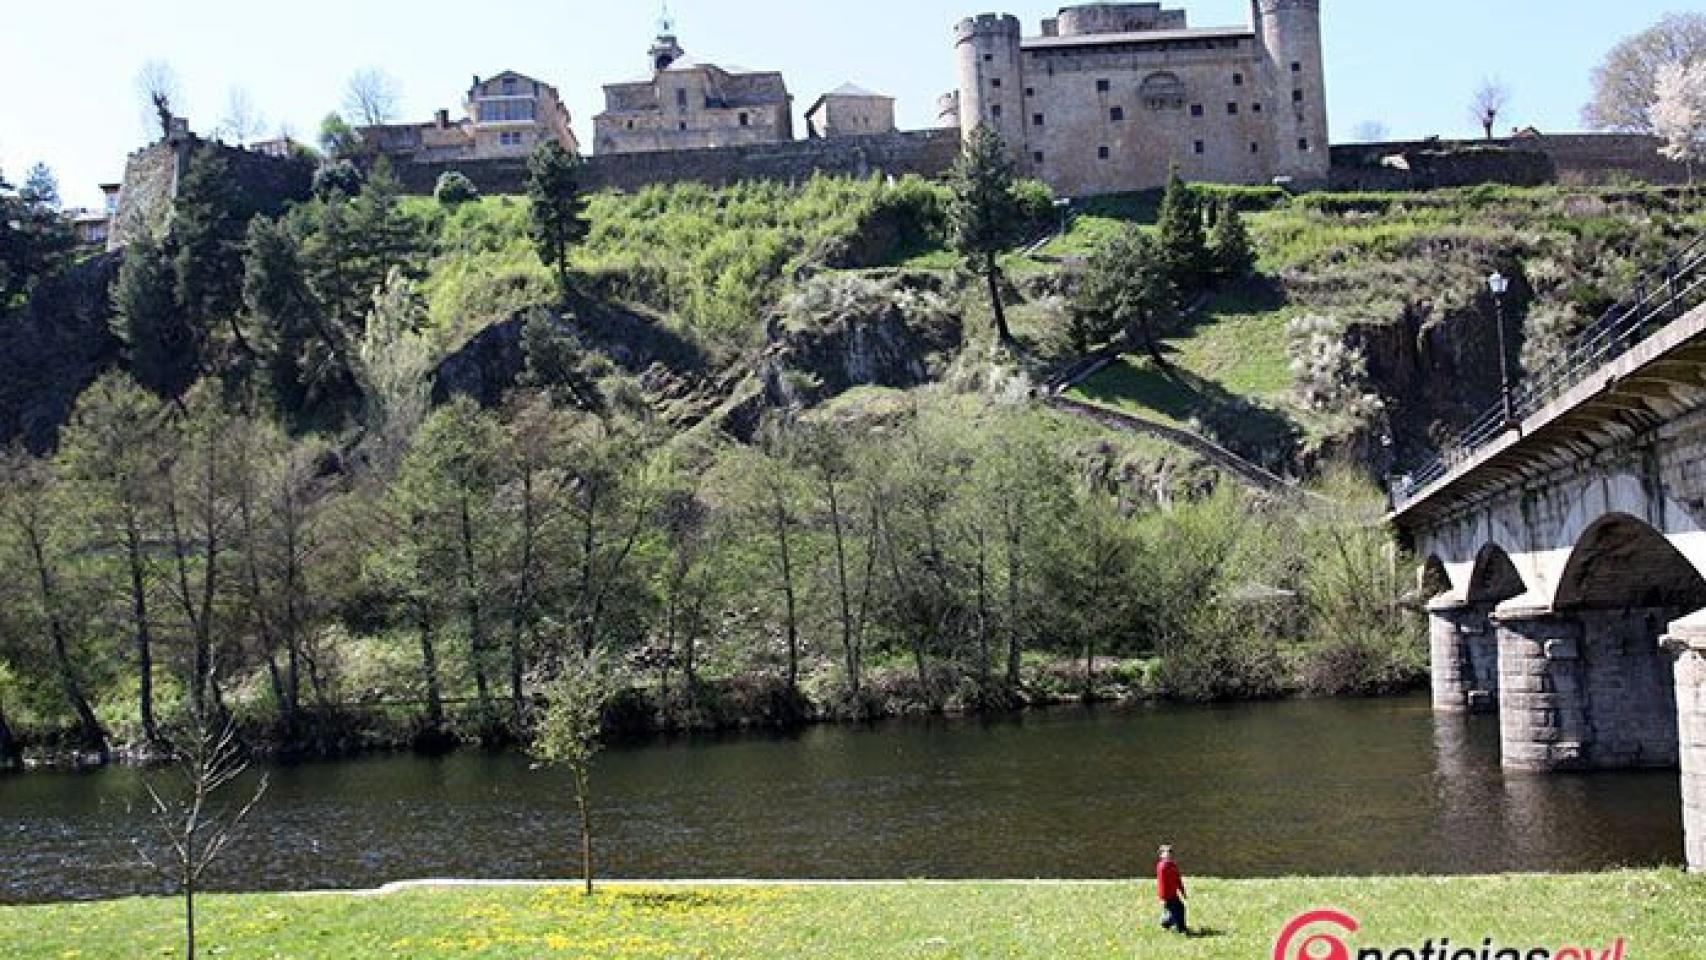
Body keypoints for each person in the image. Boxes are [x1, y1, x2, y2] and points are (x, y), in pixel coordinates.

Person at [1156, 844, 1188, 935]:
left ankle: (1178, 926)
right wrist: (1163, 896)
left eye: (1170, 853)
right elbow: (1162, 883)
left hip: (1173, 893)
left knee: (1178, 909)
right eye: (1166, 853)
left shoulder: (1172, 865)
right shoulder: (1162, 866)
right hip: (1167, 895)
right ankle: (1172, 925)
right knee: (1176, 910)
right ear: (1161, 855)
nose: (1168, 855)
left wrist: (1182, 891)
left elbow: (1177, 879)